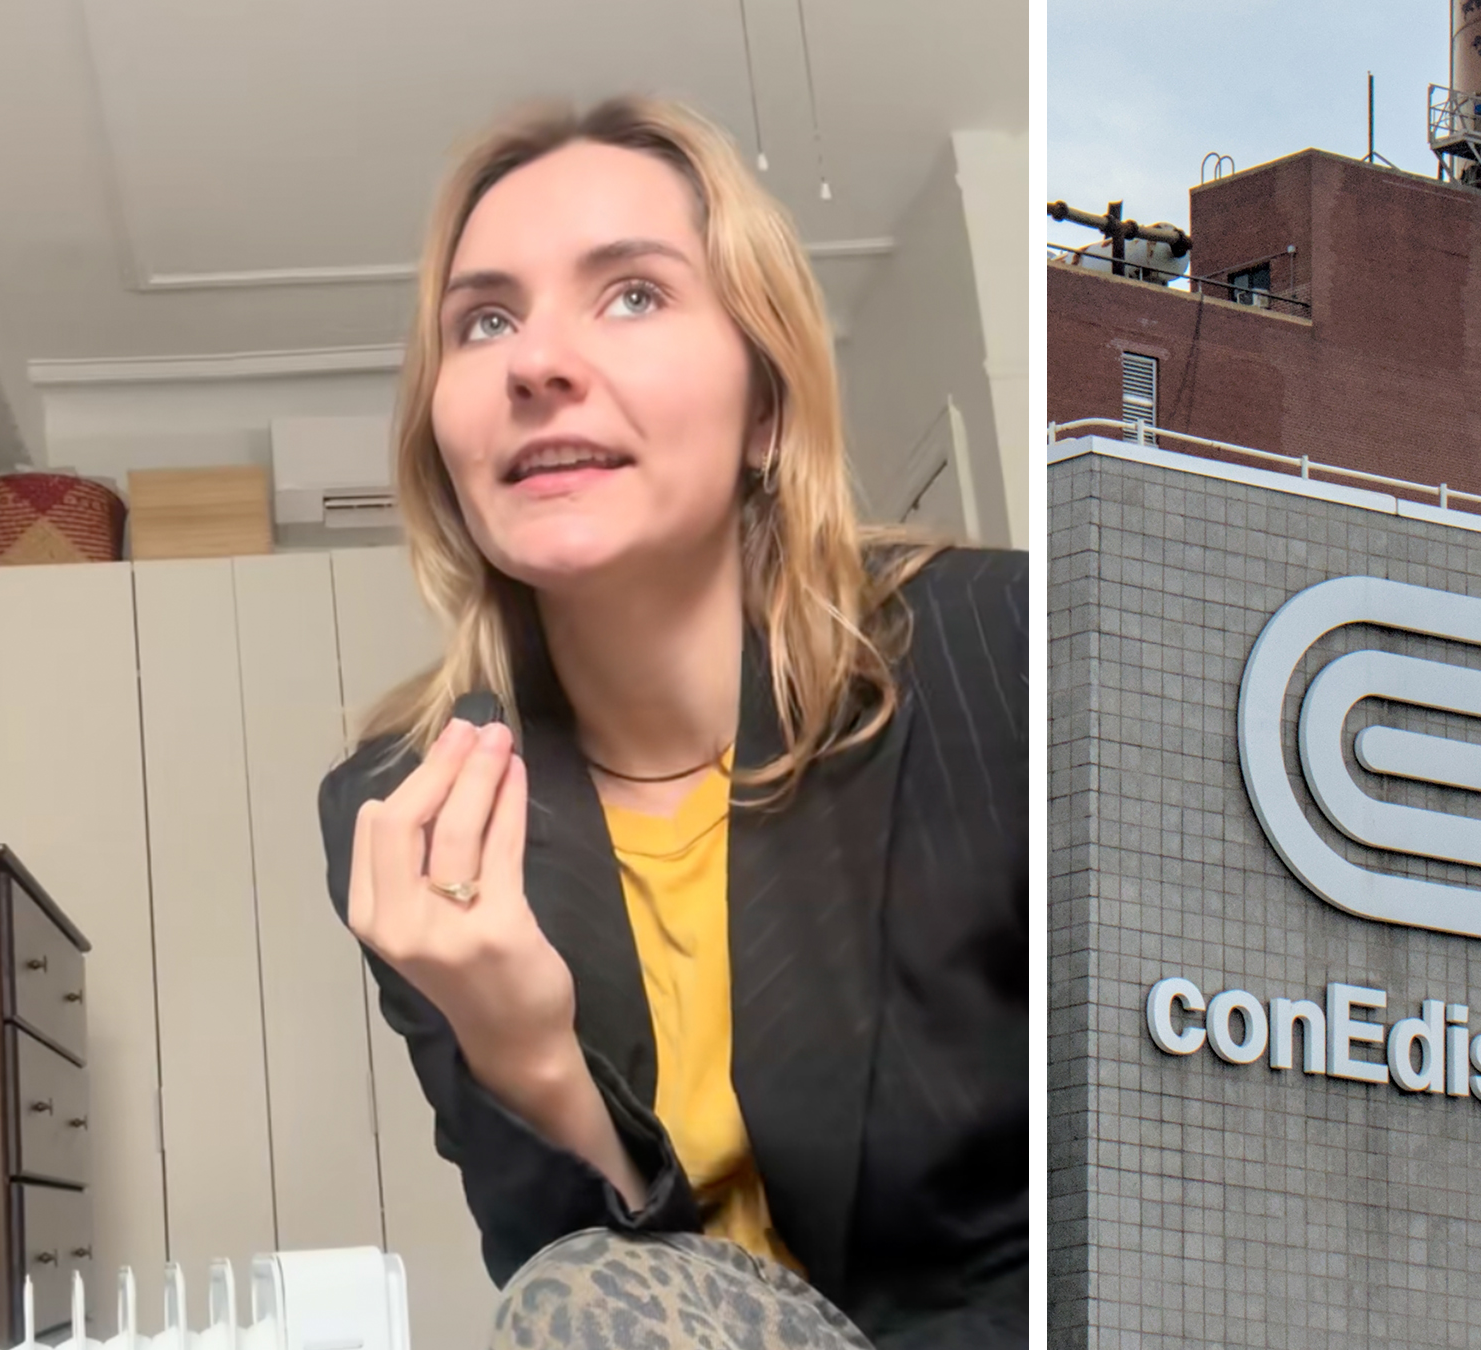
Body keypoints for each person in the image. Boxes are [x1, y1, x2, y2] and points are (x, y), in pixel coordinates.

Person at [314, 95, 1026, 1350]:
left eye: (632, 294)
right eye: (485, 321)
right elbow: (583, 1290)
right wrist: (525, 1053)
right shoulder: (405, 813)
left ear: (766, 407)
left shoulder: (1000, 649)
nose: (538, 363)